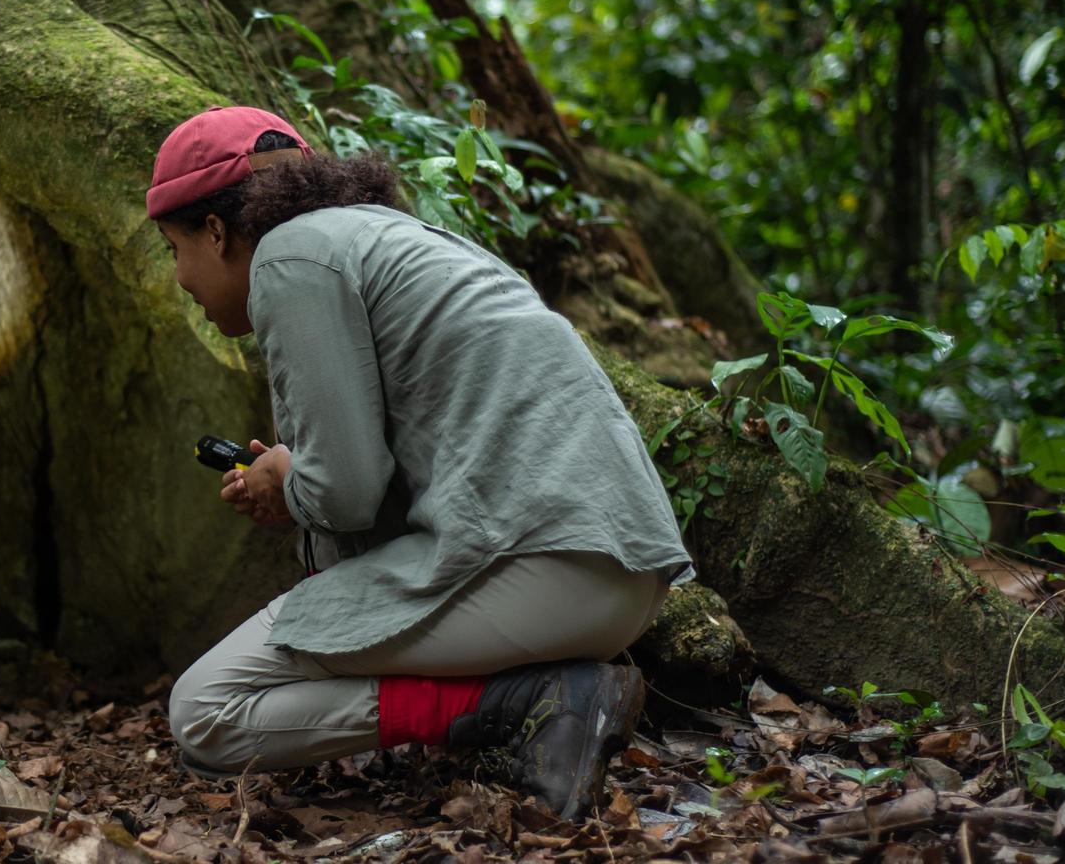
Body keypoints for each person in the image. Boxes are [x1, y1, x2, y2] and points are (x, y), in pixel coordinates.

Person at [149, 106, 694, 819]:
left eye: (172, 249)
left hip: (541, 570)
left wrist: (290, 482)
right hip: (622, 573)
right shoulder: (396, 238)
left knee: (204, 710)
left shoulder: (289, 258)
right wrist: (295, 477)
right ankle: (543, 699)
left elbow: (344, 492)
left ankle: (516, 703)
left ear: (215, 231)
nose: (181, 277)